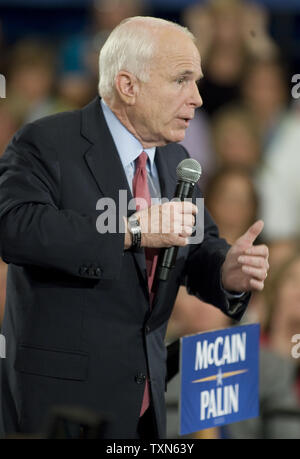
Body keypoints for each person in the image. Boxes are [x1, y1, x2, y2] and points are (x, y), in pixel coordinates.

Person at [0, 17, 269, 439]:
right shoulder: (46, 143)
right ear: (128, 86)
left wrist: (226, 271)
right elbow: (16, 227)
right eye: (182, 80)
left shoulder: (173, 158)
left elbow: (198, 246)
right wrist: (129, 229)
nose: (197, 98)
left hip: (144, 402)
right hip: (64, 402)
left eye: (197, 82)